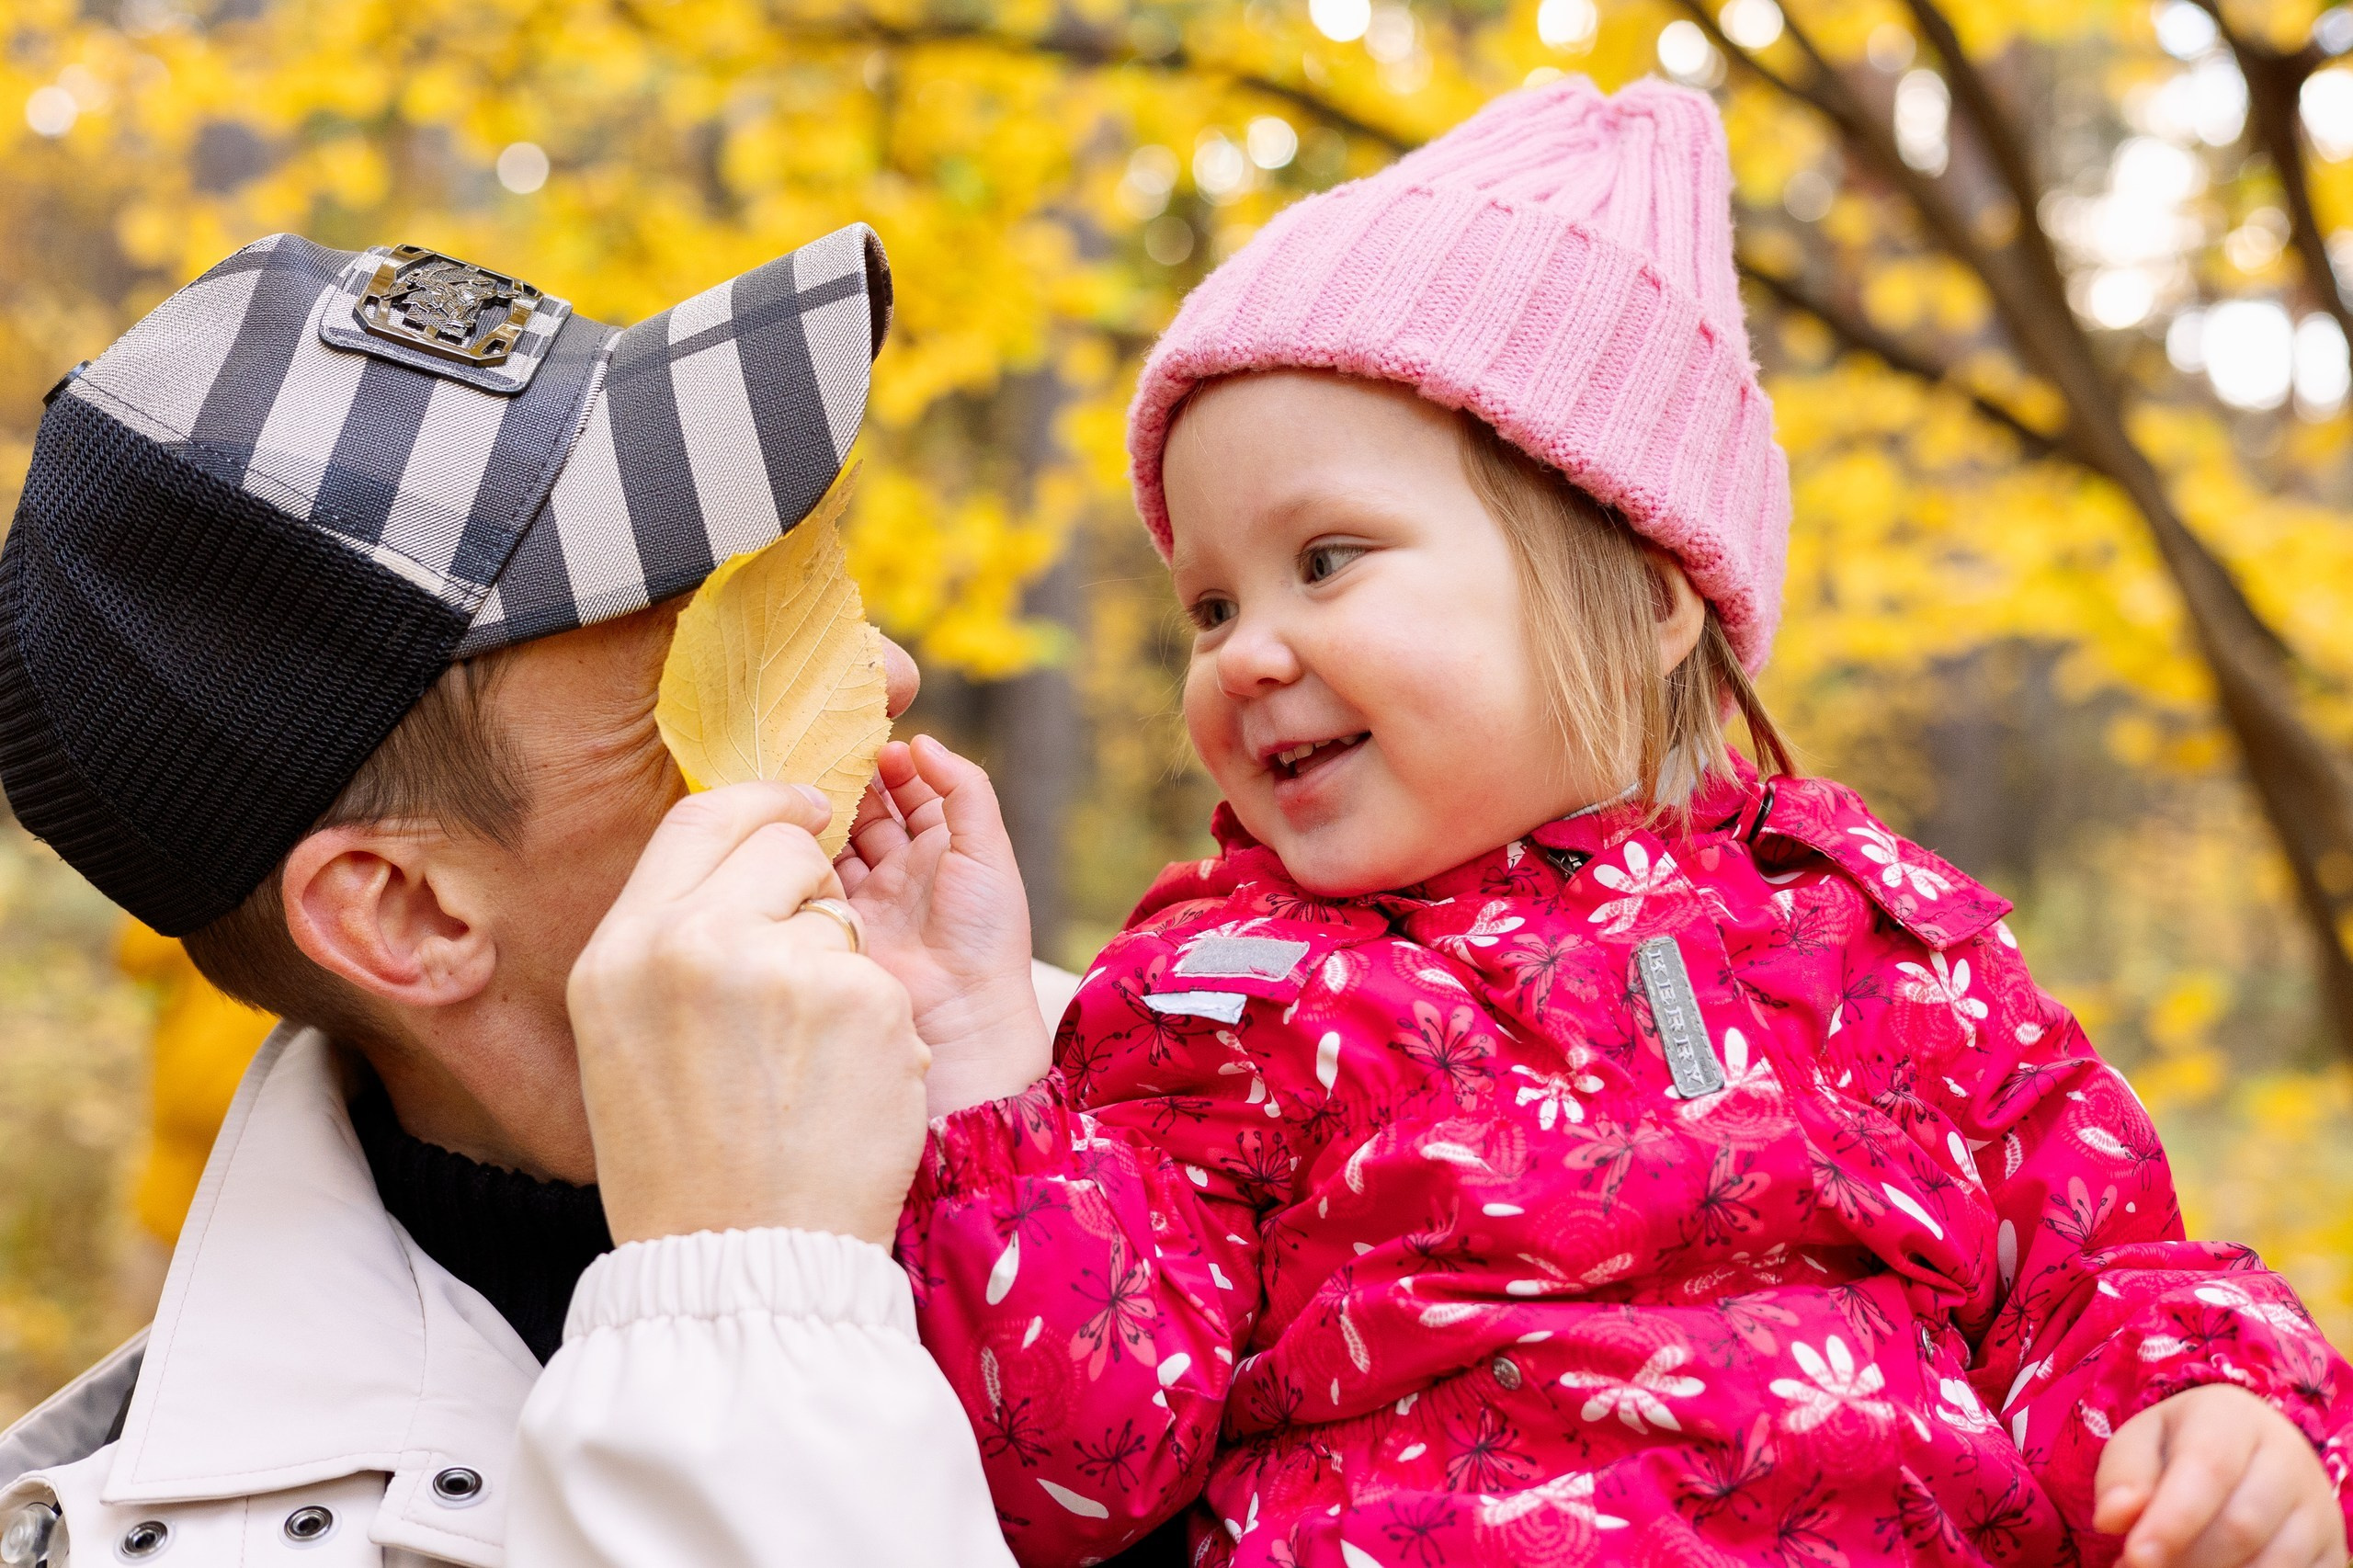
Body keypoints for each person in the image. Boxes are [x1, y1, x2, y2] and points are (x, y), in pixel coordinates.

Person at [836, 78, 2353, 1567]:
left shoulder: (1874, 947)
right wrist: (979, 1051)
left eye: (1328, 560)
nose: (1244, 654)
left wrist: (2212, 1413)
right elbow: (1073, 1477)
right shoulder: (1212, 1006)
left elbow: (2101, 1274)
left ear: (1646, 598)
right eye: (1211, 605)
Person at [0, 223, 1056, 1565]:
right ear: (409, 912)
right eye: (713, 647)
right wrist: (748, 1310)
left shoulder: (1210, 1106)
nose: (889, 673)